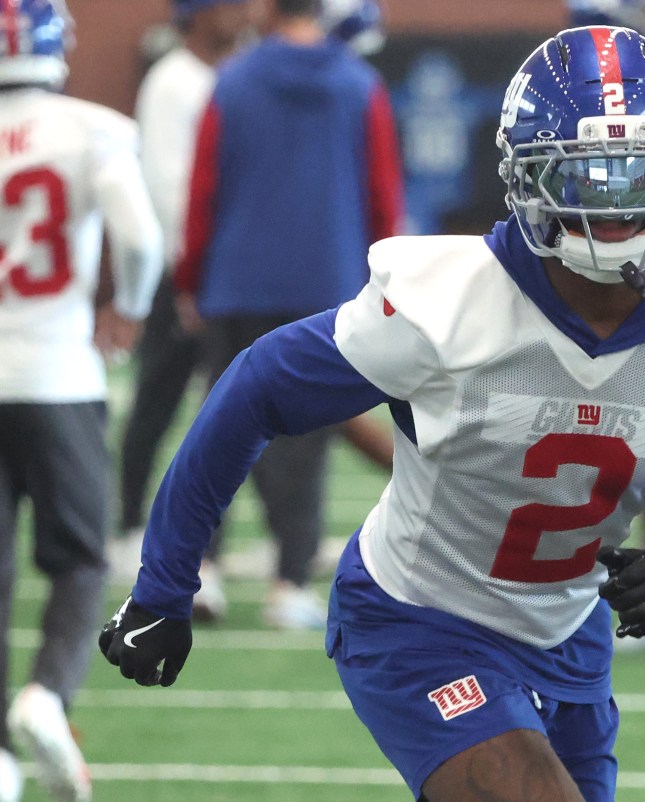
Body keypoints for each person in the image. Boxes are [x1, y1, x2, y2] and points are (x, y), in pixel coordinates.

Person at [98, 25, 645, 802]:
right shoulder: (443, 304)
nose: (615, 204)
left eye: (639, 172)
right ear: (526, 178)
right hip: (419, 617)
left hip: (567, 636)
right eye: (585, 175)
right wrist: (163, 585)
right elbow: (256, 389)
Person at [173, 0, 402, 628]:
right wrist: (388, 279)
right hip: (326, 280)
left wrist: (191, 274)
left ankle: (202, 571)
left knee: (222, 427)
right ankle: (289, 581)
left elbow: (203, 187)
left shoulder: (234, 79)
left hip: (238, 276)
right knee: (308, 440)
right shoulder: (361, 84)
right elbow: (384, 195)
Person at [0, 2, 163, 800]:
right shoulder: (92, 128)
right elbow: (138, 237)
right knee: (79, 558)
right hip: (57, 371)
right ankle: (45, 694)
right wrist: (126, 305)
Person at [108, 0, 257, 582]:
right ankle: (126, 528)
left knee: (225, 413)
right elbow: (168, 185)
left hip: (222, 270)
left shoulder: (236, 72)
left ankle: (209, 547)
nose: (244, 13)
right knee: (158, 401)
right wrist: (191, 274)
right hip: (188, 272)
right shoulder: (173, 81)